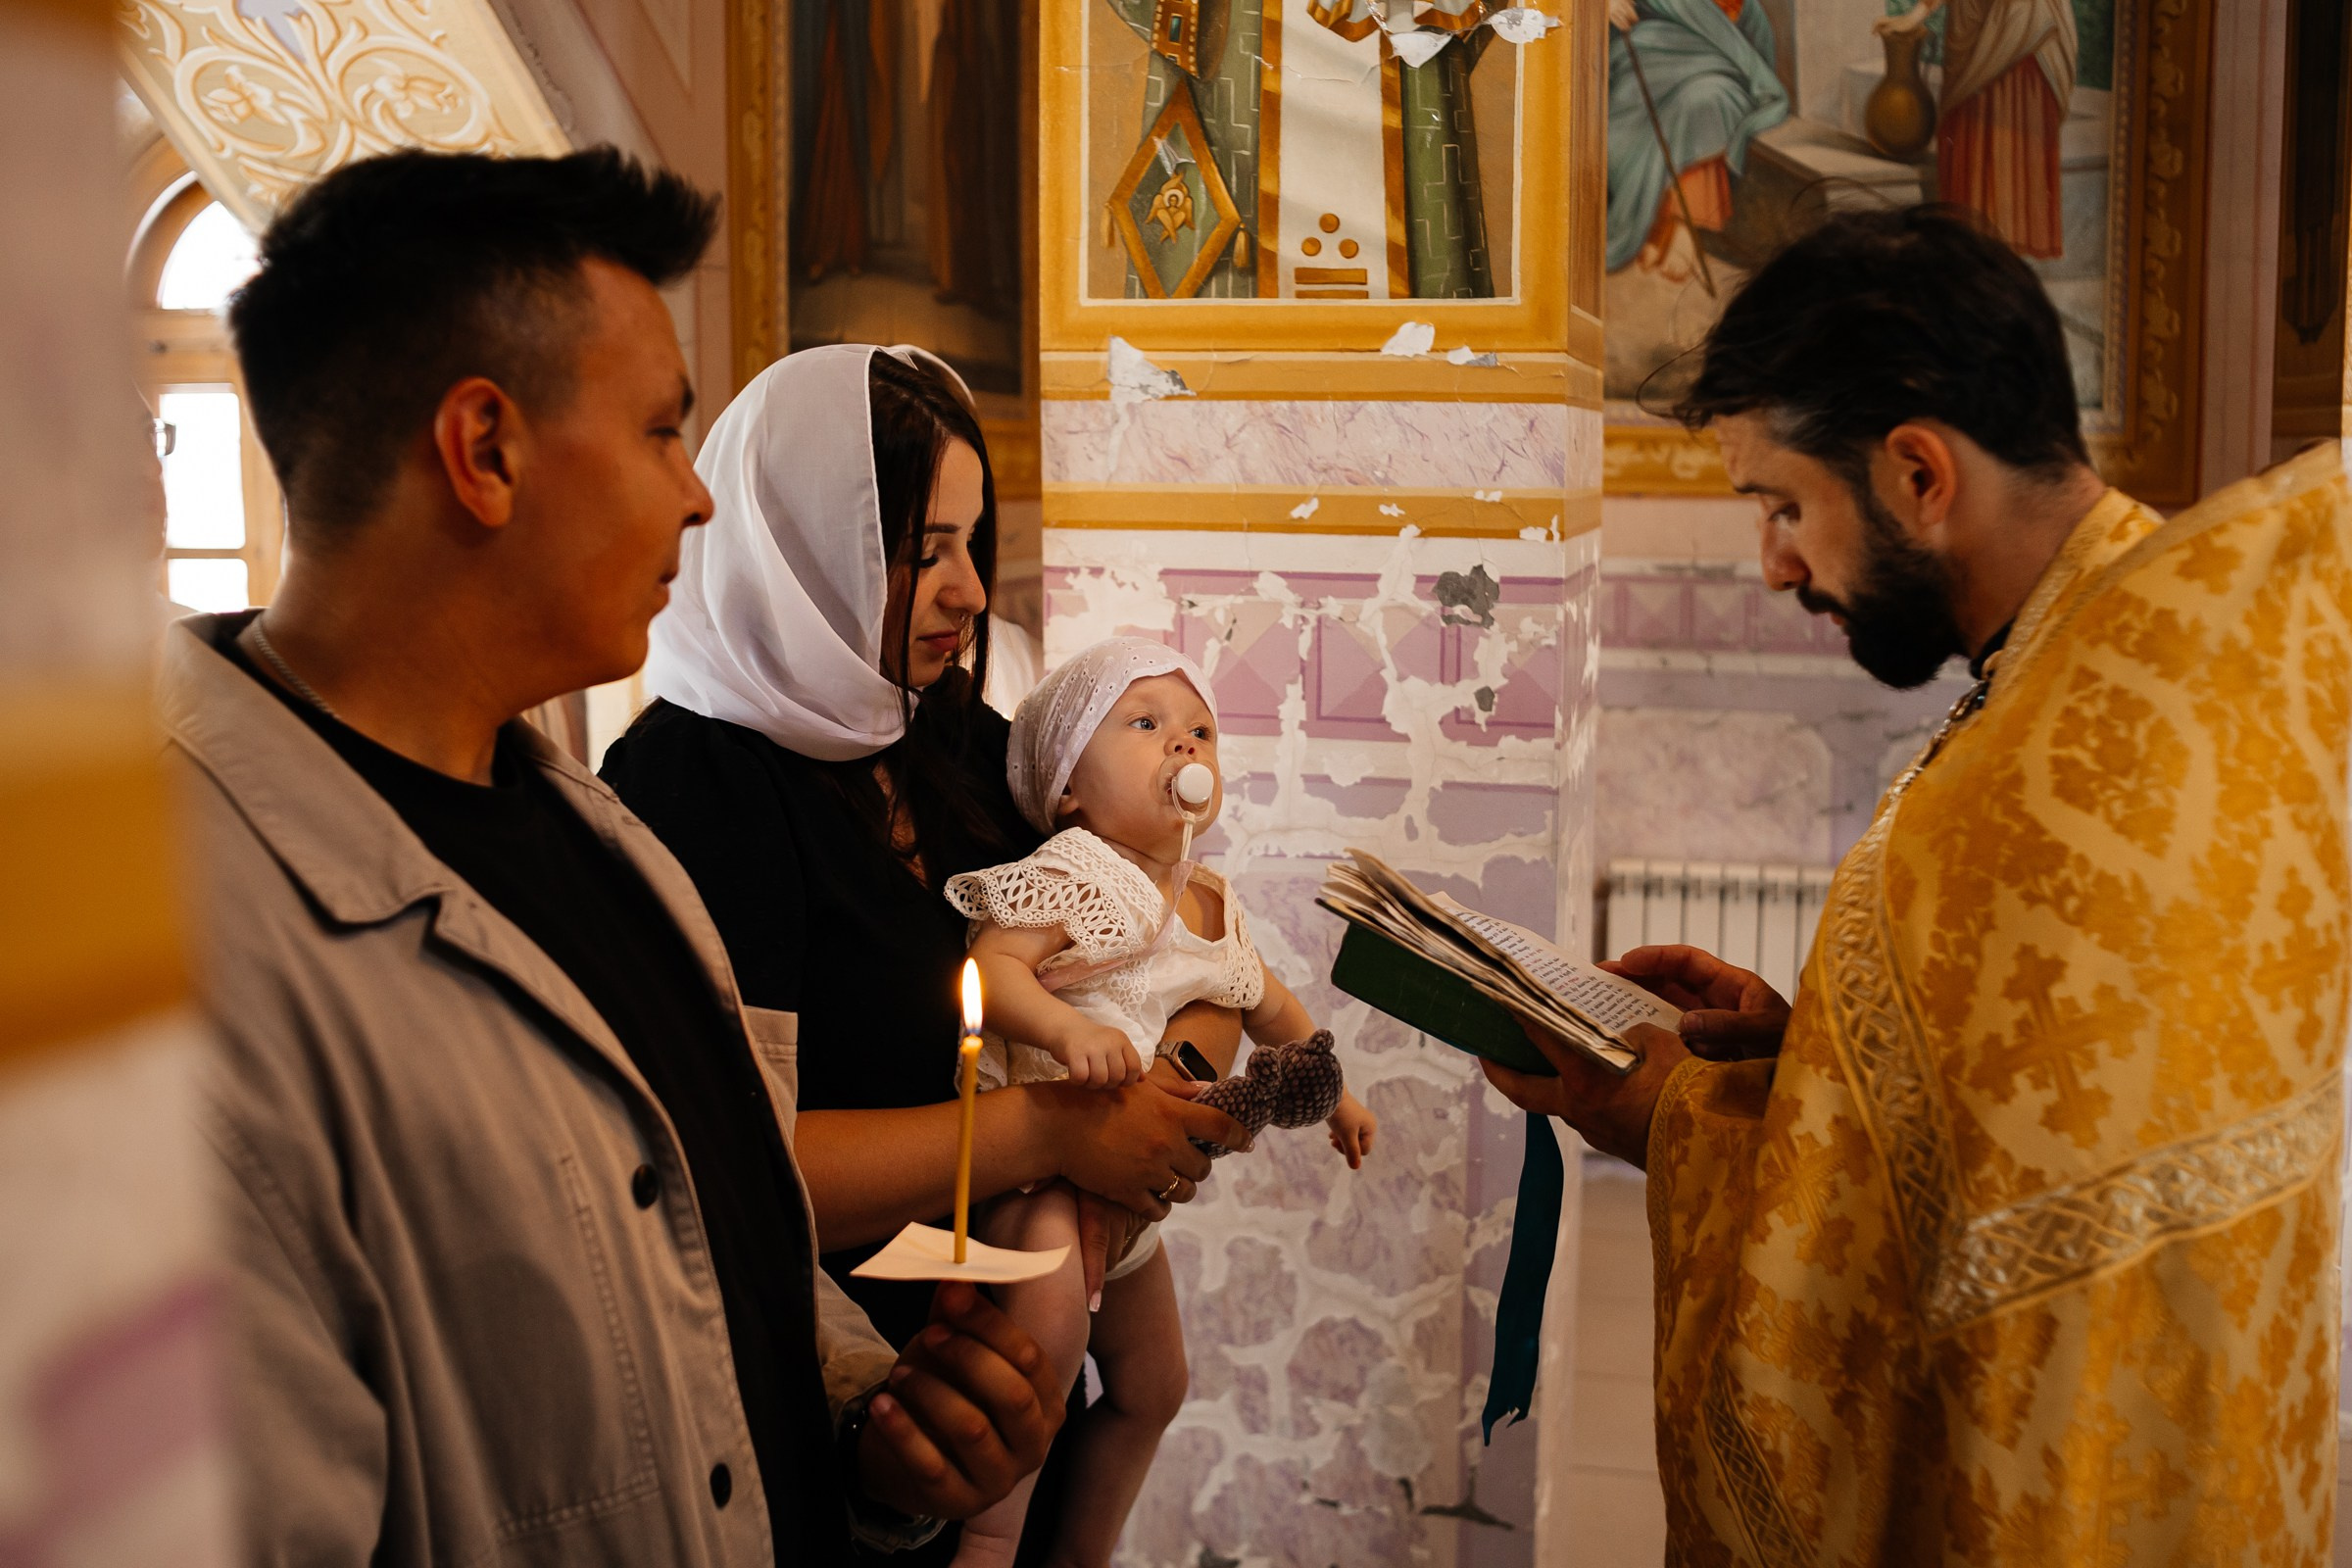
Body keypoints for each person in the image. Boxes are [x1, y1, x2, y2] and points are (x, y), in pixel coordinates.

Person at [166, 147, 1064, 1565]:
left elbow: (711, 1257)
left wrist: (871, 1435)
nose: (700, 505)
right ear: (487, 451)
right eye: (660, 436)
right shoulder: (181, 958)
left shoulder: (595, 839)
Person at [1493, 204, 2352, 1560]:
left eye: (1785, 506)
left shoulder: (2060, 769)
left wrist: (1666, 1112)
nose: (1776, 563)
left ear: (1916, 476)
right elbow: (2022, 1103)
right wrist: (1811, 1048)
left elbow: (1954, 1270)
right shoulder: (2146, 665)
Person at [597, 343, 1251, 1564]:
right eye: (920, 550)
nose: (964, 592)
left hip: (1027, 1364)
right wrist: (1053, 1129)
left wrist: (1188, 1072)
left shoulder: (945, 730)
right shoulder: (696, 788)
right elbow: (719, 1167)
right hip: (844, 1419)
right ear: (799, 544)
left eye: (970, 542)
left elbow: (1166, 904)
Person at [940, 636, 1378, 1567]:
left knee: (1158, 1384)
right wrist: (1065, 1033)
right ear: (1068, 788)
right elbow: (991, 970)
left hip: (1133, 1198)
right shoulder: (1075, 871)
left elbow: (1268, 1002)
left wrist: (1336, 1096)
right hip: (1045, 1179)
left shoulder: (1210, 898)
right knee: (1047, 1349)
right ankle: (989, 1534)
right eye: (1147, 726)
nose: (1185, 749)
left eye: (1201, 731)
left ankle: (1083, 1549)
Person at [1604, 0, 1788, 280]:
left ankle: (1684, 228)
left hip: (1716, 73)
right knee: (1639, 117)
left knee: (1705, 102)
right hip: (1645, 67)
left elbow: (1753, 47)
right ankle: (1657, 227)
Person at [1880, 0, 2077, 259]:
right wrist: (1916, 15)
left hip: (2024, 24)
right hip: (1978, 22)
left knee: (2013, 112)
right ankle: (1973, 241)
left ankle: (2007, 241)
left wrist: (1917, 15)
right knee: (1975, 120)